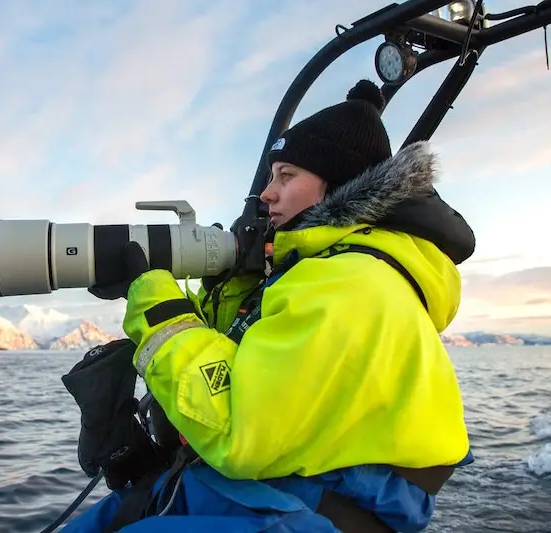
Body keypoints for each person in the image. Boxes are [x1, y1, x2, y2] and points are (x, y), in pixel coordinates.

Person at [60, 79, 476, 533]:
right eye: (271, 174)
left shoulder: (350, 283)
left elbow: (238, 431)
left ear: (336, 187)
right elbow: (246, 366)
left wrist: (157, 306)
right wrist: (228, 287)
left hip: (316, 507)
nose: (267, 193)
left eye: (287, 176)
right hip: (277, 485)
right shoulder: (317, 271)